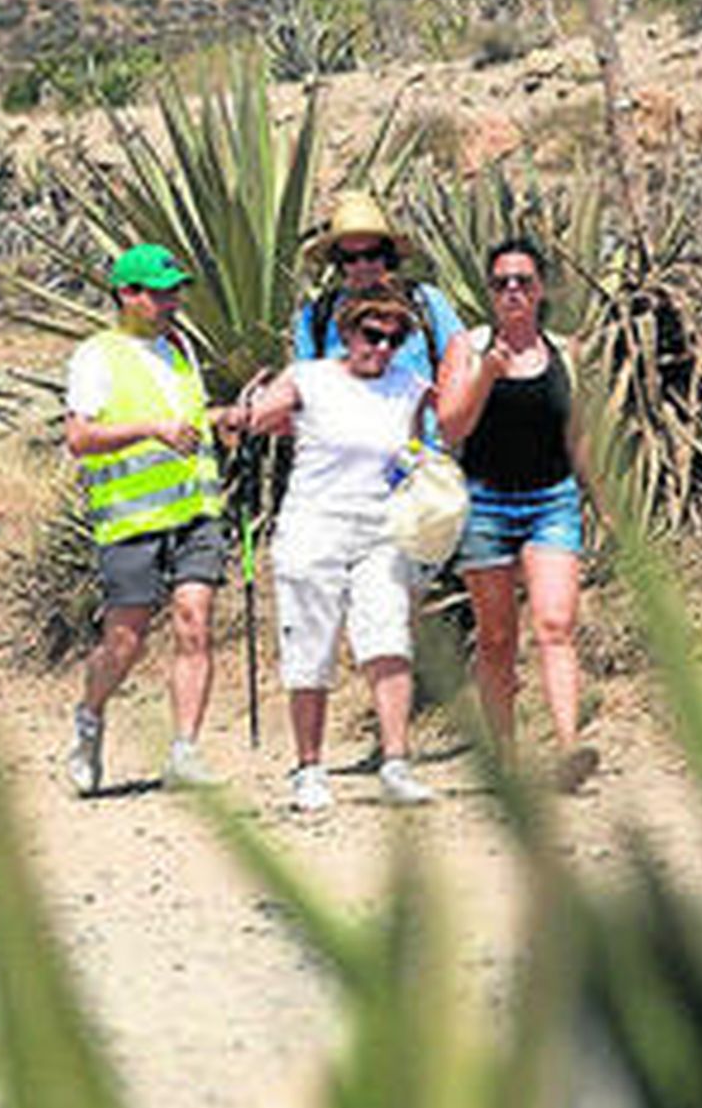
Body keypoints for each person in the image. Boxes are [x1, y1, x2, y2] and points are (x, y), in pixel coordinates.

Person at [63, 243, 250, 795]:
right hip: (132, 522)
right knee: (125, 641)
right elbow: (79, 437)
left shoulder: (180, 349)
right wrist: (150, 429)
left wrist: (220, 421)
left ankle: (185, 751)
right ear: (128, 294)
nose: (173, 302)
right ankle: (90, 715)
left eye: (175, 291)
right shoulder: (97, 355)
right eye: (161, 292)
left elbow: (186, 422)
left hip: (196, 512)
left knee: (195, 621)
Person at [248, 284, 438, 811]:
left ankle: (396, 761)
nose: (382, 348)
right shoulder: (310, 378)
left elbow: (424, 436)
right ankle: (309, 768)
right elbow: (261, 418)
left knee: (388, 639)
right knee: (311, 647)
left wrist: (417, 470)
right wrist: (254, 408)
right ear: (347, 333)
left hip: (381, 529)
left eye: (394, 338)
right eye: (372, 336)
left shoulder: (408, 385)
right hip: (315, 526)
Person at [434, 238, 598, 792]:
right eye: (502, 282)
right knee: (498, 637)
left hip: (552, 501)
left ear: (541, 289)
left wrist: (603, 500)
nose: (513, 291)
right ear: (488, 290)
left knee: (556, 625)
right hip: (485, 504)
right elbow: (451, 427)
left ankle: (569, 748)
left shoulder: (566, 353)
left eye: (523, 281)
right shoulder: (467, 348)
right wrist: (487, 375)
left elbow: (578, 436)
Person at [293, 189, 471, 410]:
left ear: (388, 255)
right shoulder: (315, 318)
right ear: (338, 263)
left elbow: (459, 363)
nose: (363, 266)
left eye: (372, 254)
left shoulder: (426, 303)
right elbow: (304, 387)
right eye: (350, 258)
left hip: (418, 442)